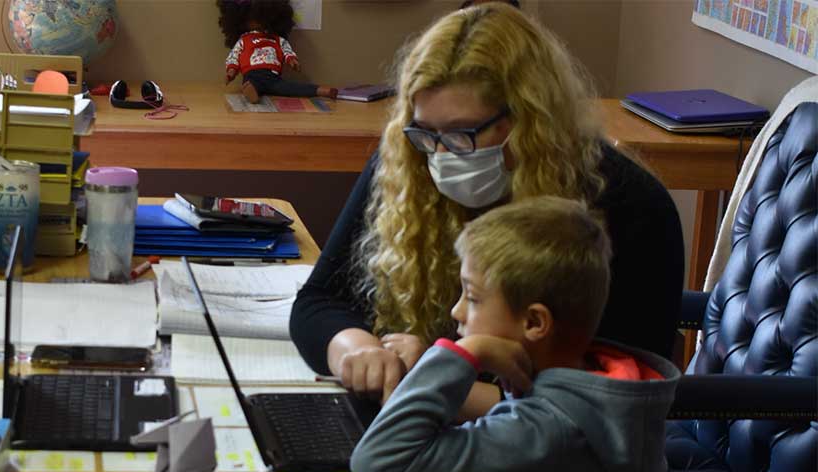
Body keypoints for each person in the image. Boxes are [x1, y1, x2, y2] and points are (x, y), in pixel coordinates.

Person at [289, 3, 684, 416]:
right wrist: (356, 350)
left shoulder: (631, 207)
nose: (440, 155)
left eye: (461, 134)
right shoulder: (412, 159)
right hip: (431, 421)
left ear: (529, 120)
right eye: (428, 133)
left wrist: (434, 381)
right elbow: (319, 301)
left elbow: (618, 405)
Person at [350, 196, 681, 472]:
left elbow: (378, 462)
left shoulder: (544, 431)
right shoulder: (590, 389)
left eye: (472, 296)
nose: (457, 311)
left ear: (535, 322)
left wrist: (465, 353)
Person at [217, 0, 337, 103]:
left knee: (290, 88)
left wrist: (291, 59)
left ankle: (322, 91)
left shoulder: (277, 39)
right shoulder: (243, 40)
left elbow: (286, 50)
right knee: (253, 84)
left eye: (262, 17)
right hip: (252, 75)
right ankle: (251, 92)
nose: (257, 22)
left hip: (273, 77)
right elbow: (234, 55)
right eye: (252, 17)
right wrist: (231, 71)